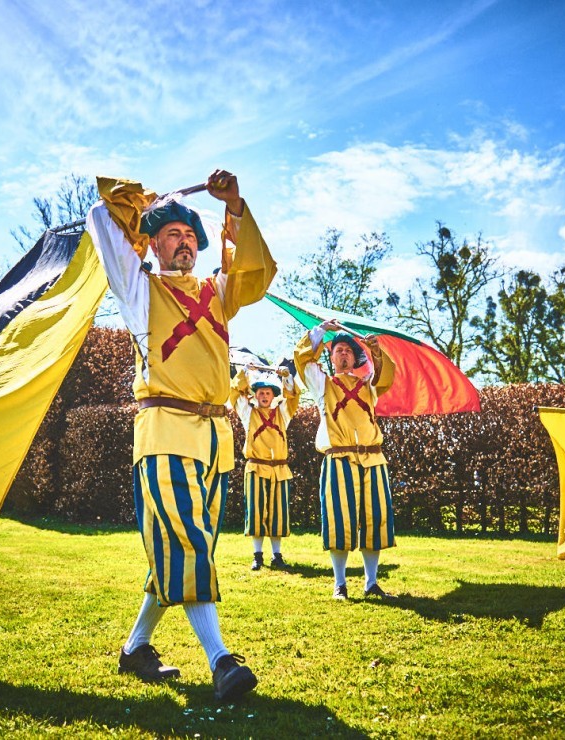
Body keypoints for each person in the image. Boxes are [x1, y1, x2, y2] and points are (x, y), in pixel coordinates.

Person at [86, 169, 276, 701]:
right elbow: (102, 219)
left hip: (216, 442)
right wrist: (137, 202)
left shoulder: (218, 291)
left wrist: (233, 206)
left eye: (191, 234)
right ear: (151, 242)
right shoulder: (137, 289)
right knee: (190, 545)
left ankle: (135, 649)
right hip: (164, 434)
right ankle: (221, 662)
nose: (185, 241)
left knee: (182, 551)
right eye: (172, 233)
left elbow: (257, 274)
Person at [294, 320, 397, 602]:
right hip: (339, 459)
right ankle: (340, 584)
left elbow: (386, 376)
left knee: (374, 521)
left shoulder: (369, 386)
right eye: (338, 350)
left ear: (355, 358)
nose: (343, 354)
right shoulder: (322, 385)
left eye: (348, 351)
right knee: (339, 521)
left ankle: (371, 583)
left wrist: (376, 351)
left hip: (373, 459)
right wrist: (319, 332)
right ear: (331, 357)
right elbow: (302, 361)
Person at [229, 363, 299, 571]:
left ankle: (276, 555)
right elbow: (235, 393)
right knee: (257, 512)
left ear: (273, 395)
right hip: (256, 468)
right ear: (256, 395)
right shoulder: (247, 414)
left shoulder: (282, 414)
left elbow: (293, 397)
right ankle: (257, 555)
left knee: (278, 512)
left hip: (279, 469)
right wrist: (245, 372)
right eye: (261, 393)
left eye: (268, 393)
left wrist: (286, 377)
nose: (265, 396)